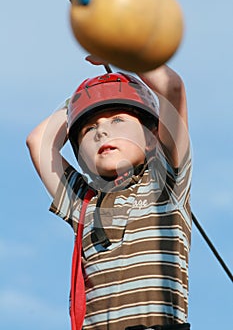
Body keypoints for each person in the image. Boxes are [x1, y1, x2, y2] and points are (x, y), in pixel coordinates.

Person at [26, 56, 192, 330]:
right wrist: (82, 98)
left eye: (117, 120)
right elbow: (38, 142)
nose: (102, 131)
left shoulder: (165, 183)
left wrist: (121, 56)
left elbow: (171, 88)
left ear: (152, 137)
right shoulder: (83, 202)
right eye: (89, 128)